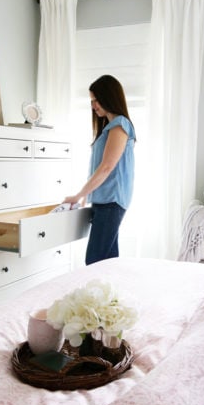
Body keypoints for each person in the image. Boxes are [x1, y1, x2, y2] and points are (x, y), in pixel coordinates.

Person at [62, 74, 136, 265]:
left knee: (95, 261)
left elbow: (106, 168)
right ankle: (113, 295)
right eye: (91, 101)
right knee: (108, 262)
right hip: (105, 201)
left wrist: (78, 195)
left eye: (96, 100)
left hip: (111, 201)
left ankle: (103, 295)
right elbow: (101, 168)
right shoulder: (110, 127)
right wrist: (89, 195)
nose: (93, 105)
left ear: (108, 97)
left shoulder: (120, 125)